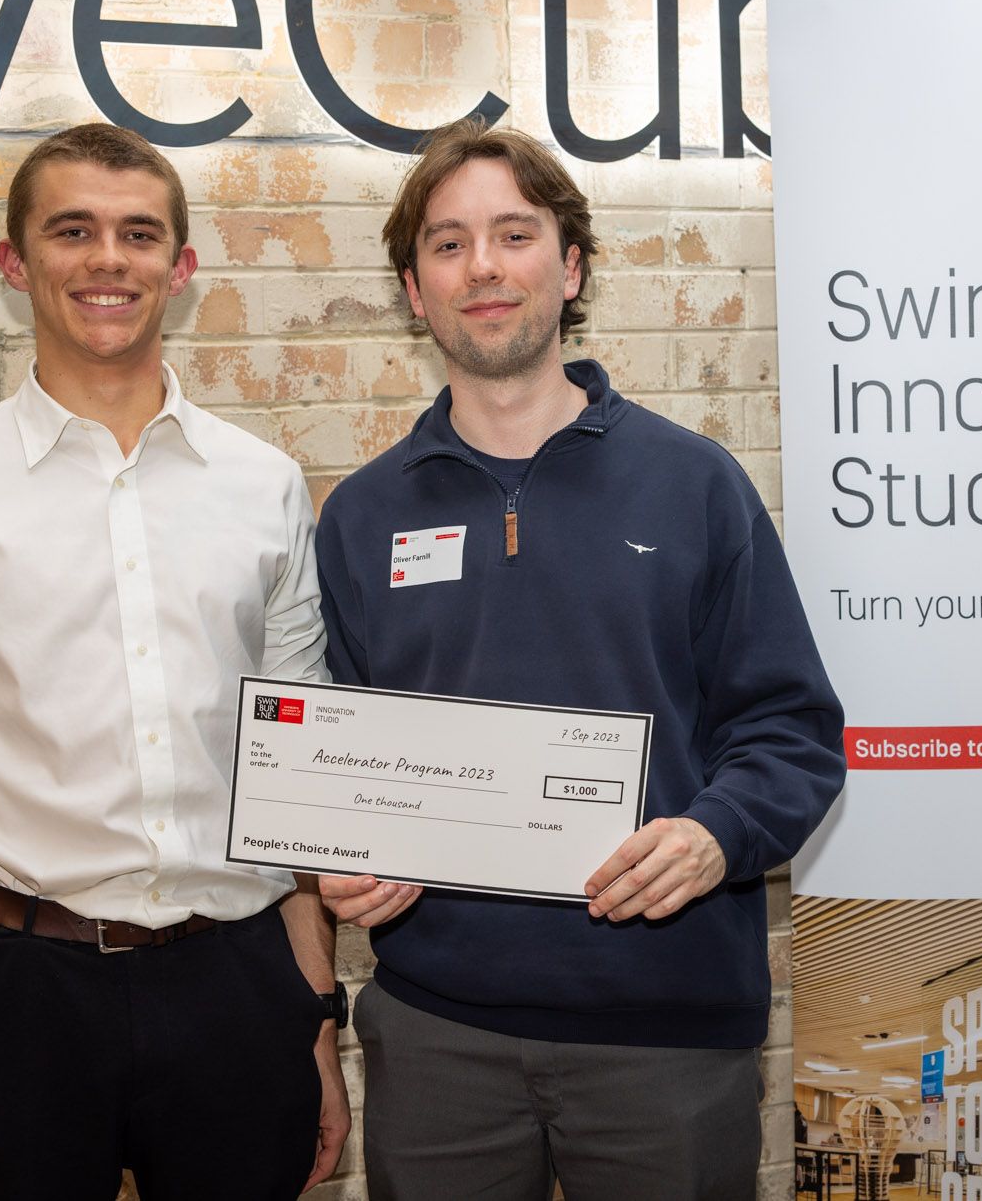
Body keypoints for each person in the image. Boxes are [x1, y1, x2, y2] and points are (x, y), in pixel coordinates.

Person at [315, 117, 846, 1200]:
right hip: (436, 1035)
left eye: (513, 234)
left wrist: (713, 833)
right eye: (449, 243)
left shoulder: (693, 484)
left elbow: (790, 731)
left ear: (572, 263)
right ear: (414, 289)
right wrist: (341, 849)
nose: (484, 268)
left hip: (665, 1035)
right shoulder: (362, 516)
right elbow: (340, 750)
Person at [0, 123, 348, 1201]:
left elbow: (294, 776)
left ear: (181, 266)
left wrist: (314, 1019)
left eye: (137, 234)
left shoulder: (261, 486)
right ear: (15, 262)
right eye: (71, 231)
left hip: (236, 981)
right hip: (15, 994)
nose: (106, 259)